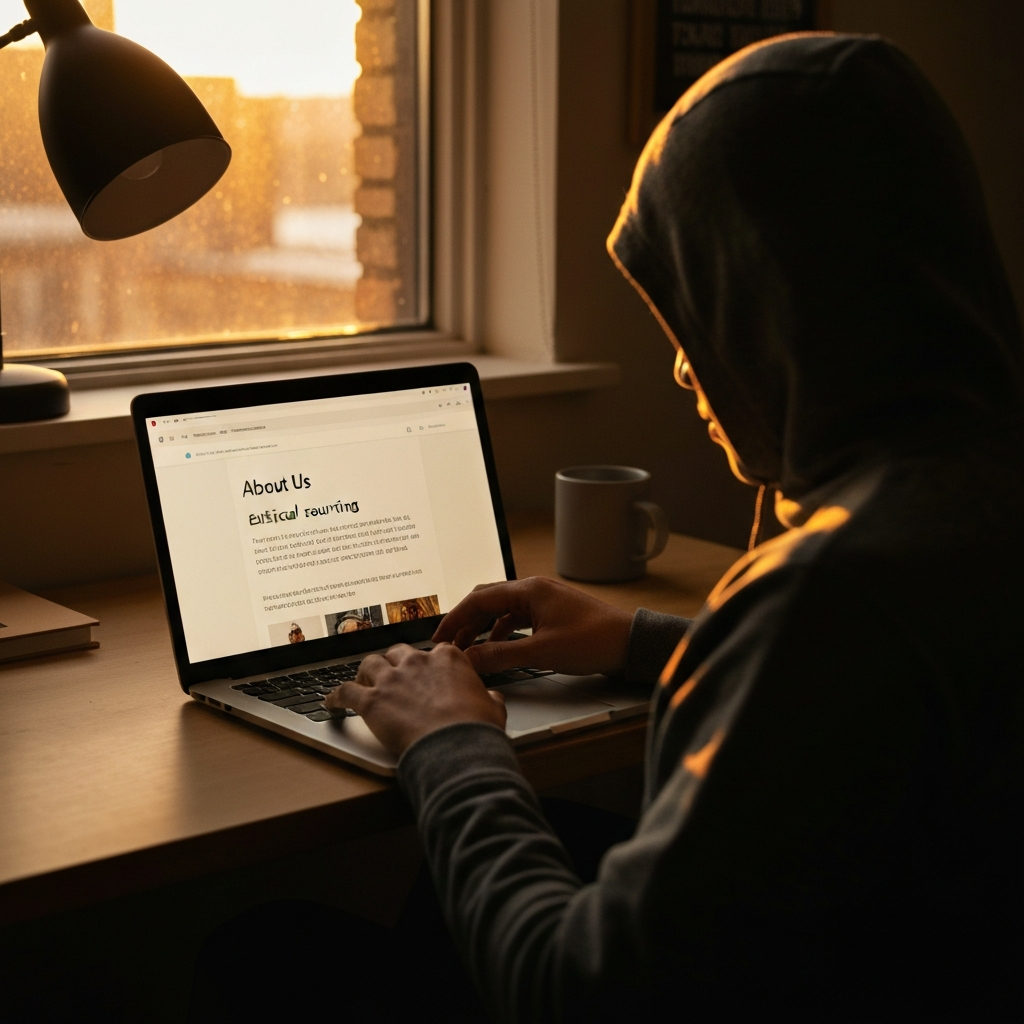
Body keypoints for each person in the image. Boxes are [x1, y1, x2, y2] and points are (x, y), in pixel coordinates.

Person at [193, 33, 1023, 1022]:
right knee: (449, 891)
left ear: (779, 309)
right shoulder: (958, 504)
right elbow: (885, 691)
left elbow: (572, 992)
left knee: (265, 948)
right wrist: (645, 639)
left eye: (697, 321)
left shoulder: (833, 591)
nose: (682, 371)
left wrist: (451, 742)